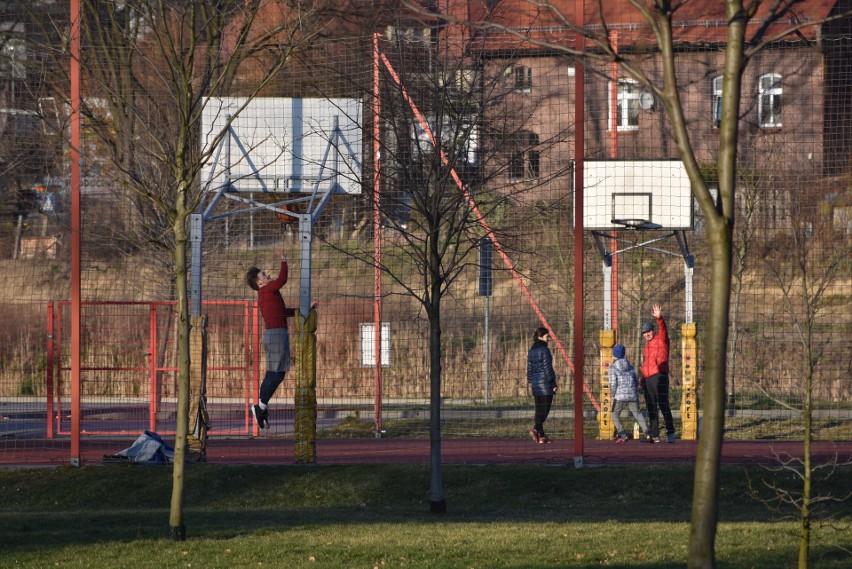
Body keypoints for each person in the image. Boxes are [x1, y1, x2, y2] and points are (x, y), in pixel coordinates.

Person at [245, 250, 296, 429]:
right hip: (276, 336)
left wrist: (303, 310)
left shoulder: (269, 294)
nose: (268, 275)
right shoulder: (267, 290)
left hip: (277, 334)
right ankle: (260, 406)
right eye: (264, 274)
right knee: (276, 374)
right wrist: (283, 260)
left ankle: (261, 406)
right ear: (260, 282)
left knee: (277, 373)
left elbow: (282, 312)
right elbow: (282, 279)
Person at [641, 303, 676, 443]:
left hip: (659, 375)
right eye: (644, 333)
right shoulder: (646, 346)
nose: (647, 334)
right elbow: (646, 363)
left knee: (663, 404)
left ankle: (670, 432)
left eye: (648, 331)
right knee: (651, 406)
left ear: (653, 330)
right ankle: (654, 435)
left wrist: (659, 318)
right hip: (648, 378)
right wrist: (642, 379)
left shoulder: (661, 339)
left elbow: (663, 328)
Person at [608, 344, 650, 443]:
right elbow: (635, 380)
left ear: (614, 355)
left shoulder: (612, 368)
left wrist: (612, 396)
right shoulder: (630, 366)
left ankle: (622, 434)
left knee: (614, 414)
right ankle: (647, 434)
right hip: (632, 395)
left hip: (620, 396)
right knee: (638, 413)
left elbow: (613, 384)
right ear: (623, 354)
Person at [527, 327, 558, 444]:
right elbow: (548, 368)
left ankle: (541, 436)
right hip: (545, 383)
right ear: (541, 336)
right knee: (545, 410)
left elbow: (529, 368)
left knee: (539, 409)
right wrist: (553, 382)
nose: (548, 338)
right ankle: (535, 428)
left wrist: (531, 380)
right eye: (547, 336)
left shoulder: (531, 350)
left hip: (535, 384)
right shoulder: (544, 350)